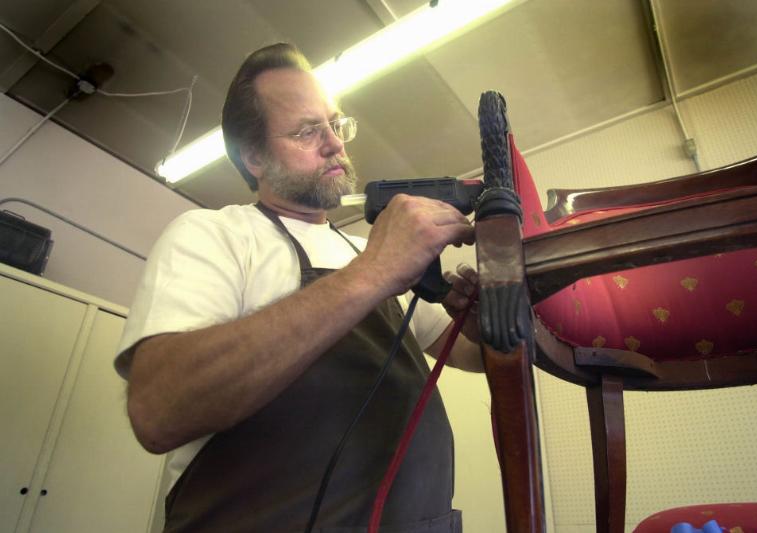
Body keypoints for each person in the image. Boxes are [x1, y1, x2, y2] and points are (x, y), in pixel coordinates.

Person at [115, 42, 483, 533]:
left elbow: (472, 355)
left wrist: (482, 317)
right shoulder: (214, 234)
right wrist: (375, 272)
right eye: (307, 131)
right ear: (256, 159)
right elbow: (159, 409)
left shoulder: (361, 250)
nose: (334, 143)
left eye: (335, 123)